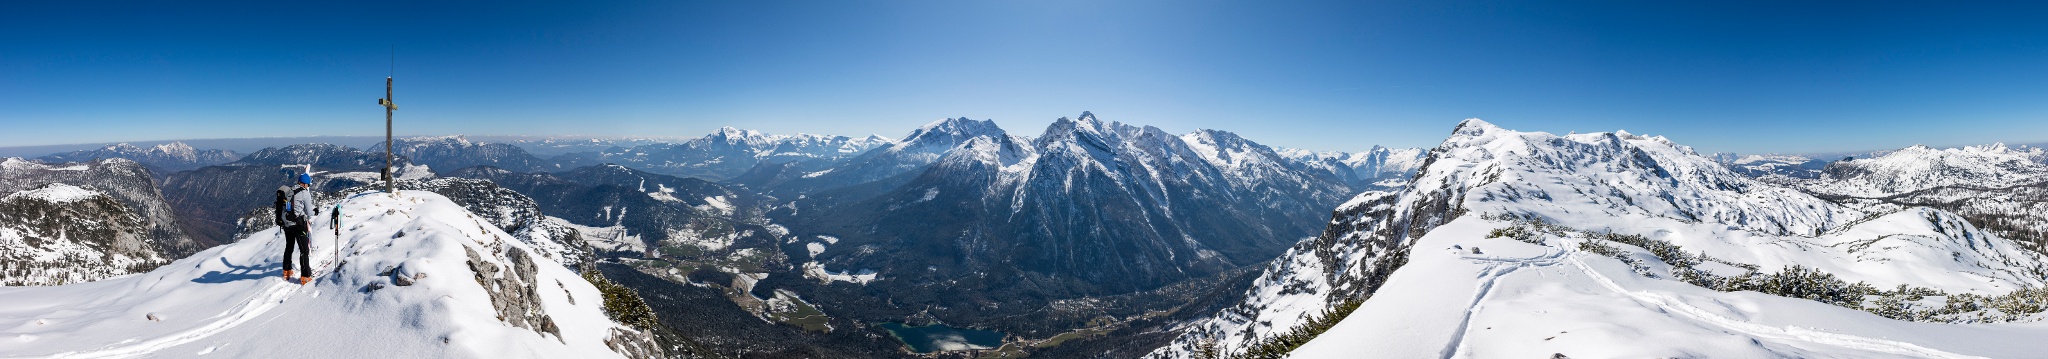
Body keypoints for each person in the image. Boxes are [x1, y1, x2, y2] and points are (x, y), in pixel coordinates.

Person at [281, 172, 315, 285]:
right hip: (298, 225)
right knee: (304, 250)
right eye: (308, 185)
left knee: (289, 246)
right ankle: (305, 276)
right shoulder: (305, 193)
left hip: (287, 224)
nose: (308, 187)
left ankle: (287, 271)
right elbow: (309, 212)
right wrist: (315, 211)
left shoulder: (289, 190)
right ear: (305, 184)